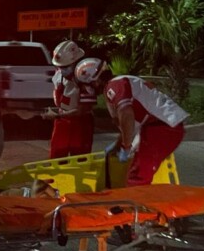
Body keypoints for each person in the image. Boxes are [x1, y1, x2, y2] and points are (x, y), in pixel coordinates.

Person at [74, 58, 189, 186]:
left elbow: (126, 114)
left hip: (161, 127)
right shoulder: (122, 82)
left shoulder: (114, 86)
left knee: (137, 177)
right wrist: (118, 144)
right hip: (162, 126)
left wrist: (126, 146)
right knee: (139, 173)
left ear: (95, 81)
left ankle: (137, 199)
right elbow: (128, 124)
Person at [43, 40, 96, 158]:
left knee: (80, 159)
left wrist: (57, 115)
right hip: (62, 121)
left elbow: (82, 110)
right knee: (56, 158)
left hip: (81, 124)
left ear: (76, 62)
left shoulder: (85, 79)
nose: (62, 69)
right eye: (59, 66)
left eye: (65, 67)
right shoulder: (59, 74)